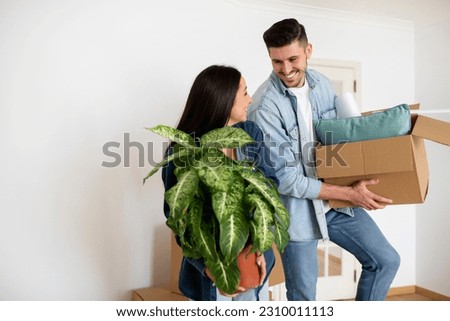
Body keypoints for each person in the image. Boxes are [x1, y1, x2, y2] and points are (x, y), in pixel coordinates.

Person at [247, 18, 401, 301]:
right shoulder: (264, 107)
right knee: (304, 298)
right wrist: (349, 193)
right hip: (294, 210)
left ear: (308, 50)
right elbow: (285, 179)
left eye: (293, 58)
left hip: (335, 203)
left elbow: (337, 140)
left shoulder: (322, 84)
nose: (286, 69)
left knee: (385, 260)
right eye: (277, 62)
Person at [162, 65, 277, 301]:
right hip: (210, 271)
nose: (251, 99)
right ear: (224, 101)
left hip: (253, 261)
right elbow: (178, 218)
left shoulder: (250, 133)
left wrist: (259, 245)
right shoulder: (184, 152)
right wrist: (210, 269)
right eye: (245, 93)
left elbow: (269, 186)